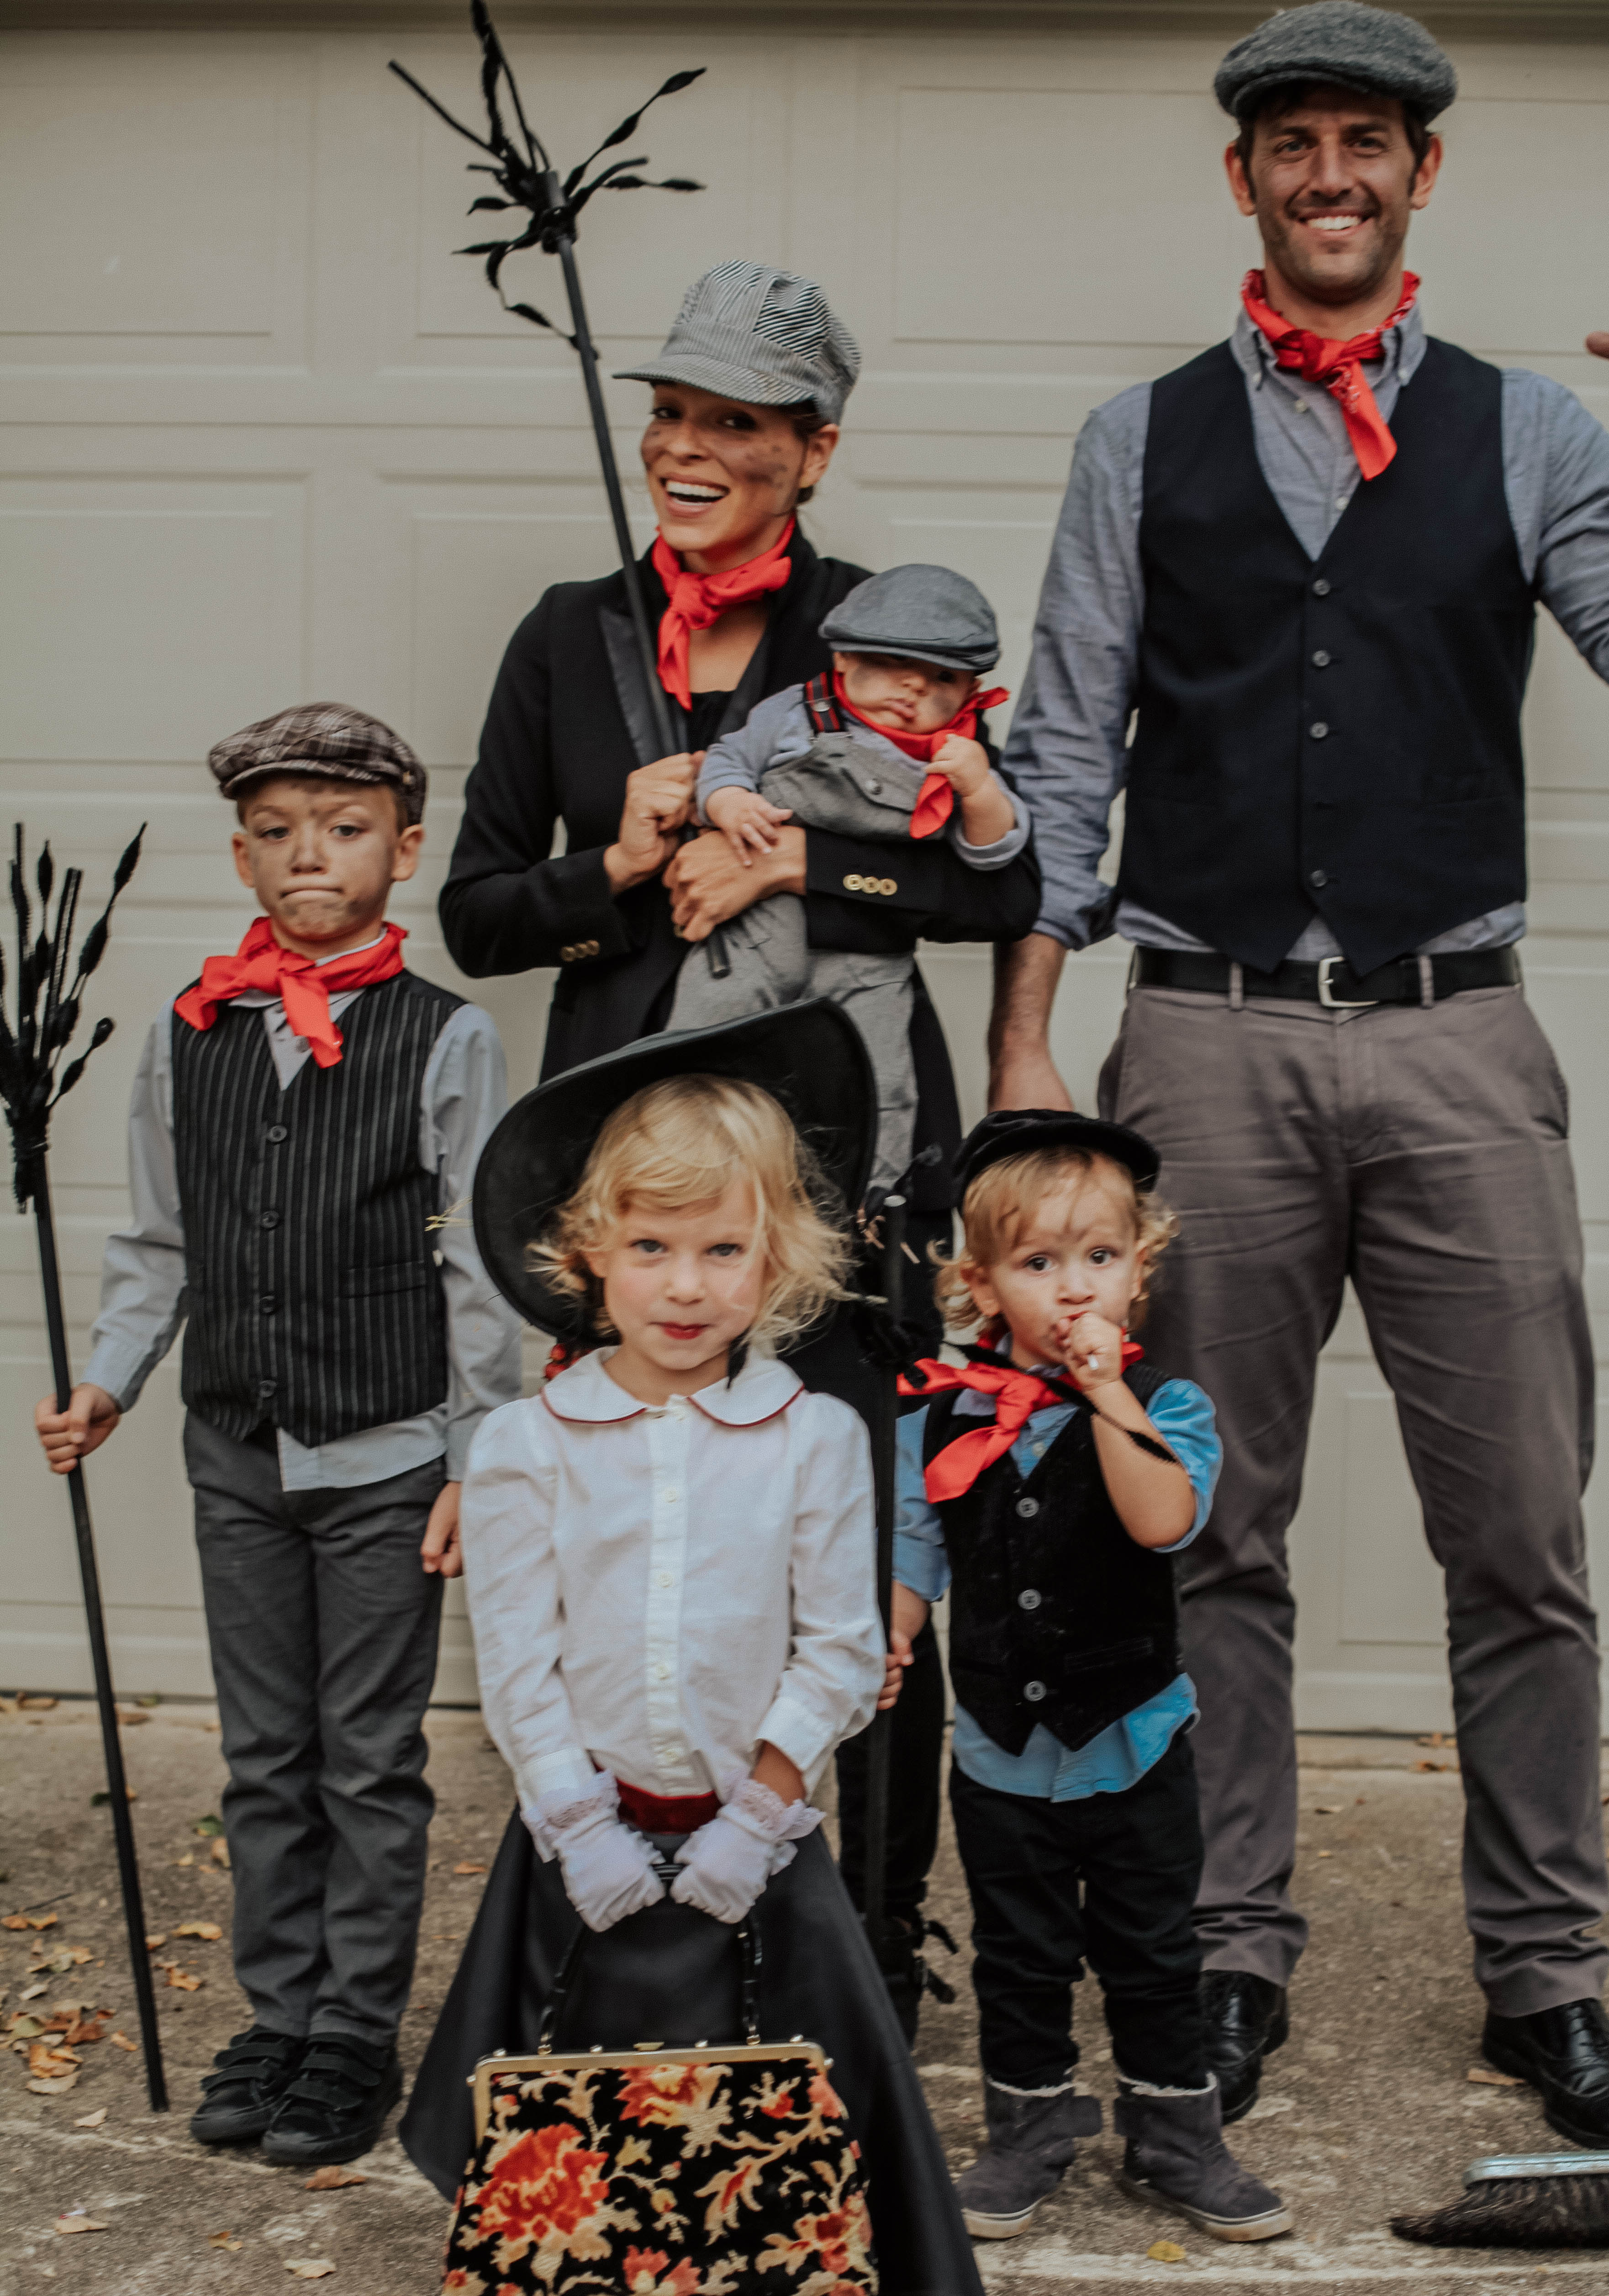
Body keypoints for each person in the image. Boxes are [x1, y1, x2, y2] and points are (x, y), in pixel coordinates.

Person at [990, 0, 1609, 2146]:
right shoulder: (1140, 440)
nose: (1329, 172)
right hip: (1198, 1033)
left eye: (1366, 141)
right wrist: (1032, 1043)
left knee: (1522, 1533)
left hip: (1454, 1028)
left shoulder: (1524, 435)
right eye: (1290, 140)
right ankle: (1225, 1958)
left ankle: (1546, 1979)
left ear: (1419, 176)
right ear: (1243, 179)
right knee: (1210, 1519)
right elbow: (1059, 743)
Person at [443, 261, 1040, 2022]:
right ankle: (645, 1945)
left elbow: (988, 872)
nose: (689, 447)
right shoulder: (570, 633)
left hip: (841, 1157)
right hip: (628, 1171)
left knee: (859, 1561)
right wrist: (616, 864)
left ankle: (863, 1944)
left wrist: (799, 862)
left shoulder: (876, 622)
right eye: (675, 414)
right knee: (636, 1569)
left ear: (813, 447)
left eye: (736, 423)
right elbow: (477, 912)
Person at [398, 1006, 993, 2296]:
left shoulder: (804, 1440)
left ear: (778, 1260)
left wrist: (765, 1804)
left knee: (743, 2105)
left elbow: (841, 1646)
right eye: (652, 1247)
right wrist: (571, 1817)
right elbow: (517, 1652)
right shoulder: (528, 1448)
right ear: (589, 1250)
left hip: (749, 1840)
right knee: (584, 2105)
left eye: (722, 1250)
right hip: (586, 1838)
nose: (684, 1283)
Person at [33, 702, 520, 2165]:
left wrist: (476, 1455)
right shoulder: (192, 1039)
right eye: (280, 830)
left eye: (348, 827)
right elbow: (162, 1245)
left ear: (407, 849)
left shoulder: (446, 1036)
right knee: (263, 1756)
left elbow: (473, 1255)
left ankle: (355, 2034)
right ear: (242, 855)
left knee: (364, 1756)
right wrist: (110, 1380)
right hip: (234, 1447)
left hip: (385, 1454)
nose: (313, 855)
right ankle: (280, 2012)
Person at [886, 1109, 1289, 2247]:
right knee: (1020, 1953)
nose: (1075, 1289)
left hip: (1135, 1738)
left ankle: (1177, 2131)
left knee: (1153, 1952)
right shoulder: (942, 1414)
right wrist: (895, 1634)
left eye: (1100, 1259)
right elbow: (917, 1545)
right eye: (1039, 1263)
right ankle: (1030, 2123)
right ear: (979, 1284)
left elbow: (1163, 1521)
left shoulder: (1168, 1410)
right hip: (1001, 1746)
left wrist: (1107, 1396)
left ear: (1139, 1269)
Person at [670, 564, 1029, 1192]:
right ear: (842, 660)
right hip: (760, 930)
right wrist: (727, 802)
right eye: (893, 664)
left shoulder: (958, 750)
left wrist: (977, 787)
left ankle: (871, 1196)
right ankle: (687, 1163)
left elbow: (996, 864)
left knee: (880, 1077)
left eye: (943, 678)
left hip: (870, 956)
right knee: (713, 1036)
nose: (914, 687)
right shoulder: (792, 715)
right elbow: (727, 760)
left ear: (973, 690)